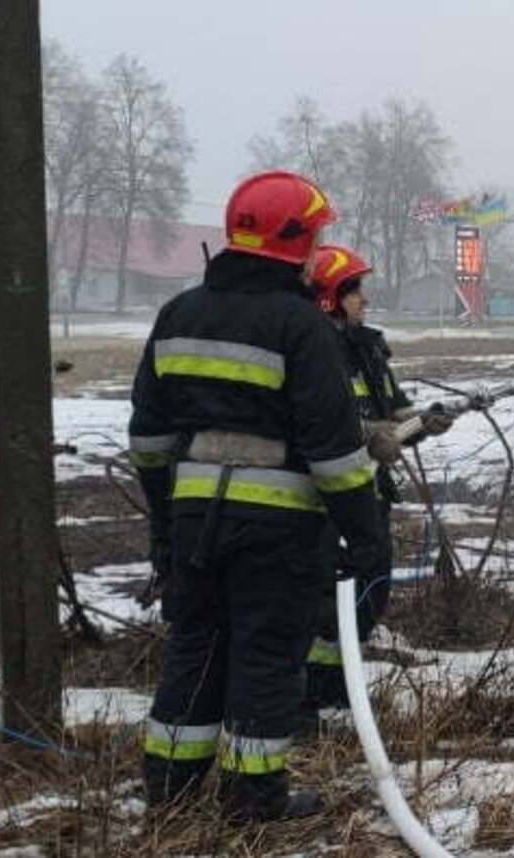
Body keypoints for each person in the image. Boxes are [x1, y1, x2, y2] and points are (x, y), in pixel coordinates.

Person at [128, 171, 388, 822]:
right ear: (295, 240)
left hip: (195, 522)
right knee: (267, 654)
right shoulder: (301, 327)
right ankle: (252, 798)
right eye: (316, 234)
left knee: (195, 647)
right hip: (278, 530)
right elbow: (333, 452)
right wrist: (368, 533)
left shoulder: (179, 314)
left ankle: (169, 793)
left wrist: (166, 522)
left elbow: (150, 438)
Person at [299, 244, 452, 721]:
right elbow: (313, 422)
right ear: (328, 298)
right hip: (319, 499)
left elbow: (392, 407)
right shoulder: (312, 349)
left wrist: (423, 421)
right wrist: (369, 436)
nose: (364, 299)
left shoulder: (366, 348)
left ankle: (333, 682)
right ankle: (310, 691)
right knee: (323, 596)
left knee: (371, 589)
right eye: (355, 291)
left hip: (367, 494)